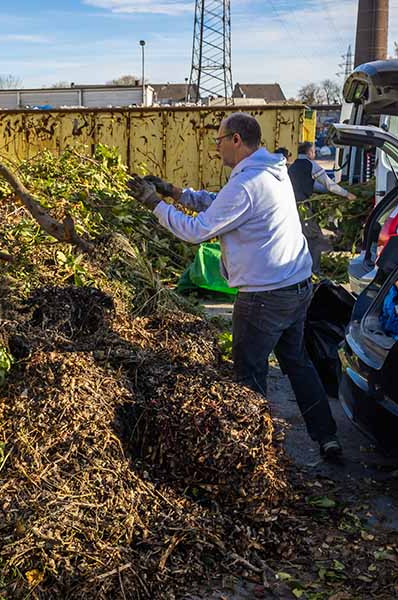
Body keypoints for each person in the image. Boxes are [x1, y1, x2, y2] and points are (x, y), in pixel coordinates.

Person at [127, 112, 342, 459]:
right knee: (297, 361)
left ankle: (257, 453)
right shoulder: (271, 172)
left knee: (249, 373)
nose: (216, 148)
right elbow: (223, 206)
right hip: (298, 286)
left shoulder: (246, 183)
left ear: (237, 140)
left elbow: (196, 231)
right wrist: (175, 192)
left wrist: (154, 203)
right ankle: (327, 437)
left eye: (219, 140)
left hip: (264, 296)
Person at [289, 141, 357, 274]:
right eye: (313, 151)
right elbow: (329, 185)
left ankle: (300, 269)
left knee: (299, 238)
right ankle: (314, 272)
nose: (314, 153)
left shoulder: (293, 166)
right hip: (302, 209)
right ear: (309, 153)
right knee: (315, 239)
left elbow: (314, 186)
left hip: (290, 207)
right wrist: (347, 194)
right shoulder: (311, 165)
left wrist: (329, 193)